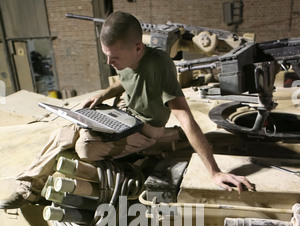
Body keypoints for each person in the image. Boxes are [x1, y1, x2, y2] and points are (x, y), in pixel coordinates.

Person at [0, 11, 254, 210]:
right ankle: (27, 187)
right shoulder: (124, 57)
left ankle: (40, 176)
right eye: (106, 56)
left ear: (138, 48)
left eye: (114, 58)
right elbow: (126, 77)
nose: (110, 63)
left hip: (146, 131)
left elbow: (185, 118)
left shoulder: (160, 66)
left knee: (84, 147)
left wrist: (214, 172)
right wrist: (105, 94)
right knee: (65, 130)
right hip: (122, 116)